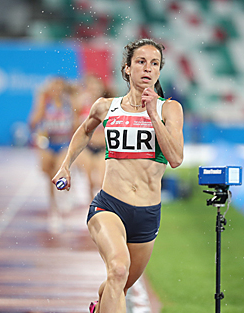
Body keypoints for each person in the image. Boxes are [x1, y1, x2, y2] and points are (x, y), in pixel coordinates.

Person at [52, 38, 184, 313]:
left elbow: (175, 158)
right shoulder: (106, 106)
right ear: (127, 69)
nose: (148, 68)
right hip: (109, 206)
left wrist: (152, 114)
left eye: (154, 63)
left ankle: (98, 308)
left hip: (147, 214)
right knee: (118, 269)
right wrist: (66, 164)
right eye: (141, 62)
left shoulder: (169, 109)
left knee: (117, 285)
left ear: (159, 71)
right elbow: (85, 130)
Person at [28, 77, 75, 232]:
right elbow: (32, 123)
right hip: (48, 142)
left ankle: (64, 198)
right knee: (49, 176)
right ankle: (53, 207)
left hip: (64, 143)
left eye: (59, 87)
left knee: (59, 171)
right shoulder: (44, 103)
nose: (57, 90)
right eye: (53, 87)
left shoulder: (70, 101)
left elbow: (76, 124)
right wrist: (40, 101)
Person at [72, 74, 111, 200]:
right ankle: (91, 207)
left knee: (101, 181)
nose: (94, 89)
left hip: (103, 147)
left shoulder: (109, 105)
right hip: (87, 147)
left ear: (101, 88)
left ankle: (102, 204)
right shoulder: (81, 106)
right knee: (89, 181)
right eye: (91, 87)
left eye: (96, 86)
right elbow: (76, 129)